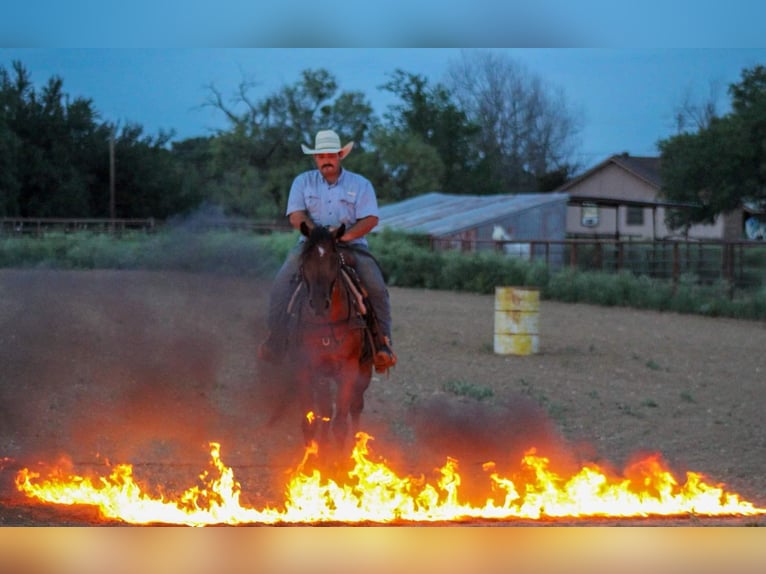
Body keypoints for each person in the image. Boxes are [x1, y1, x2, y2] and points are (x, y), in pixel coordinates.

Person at [258, 129, 397, 372]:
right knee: (281, 282)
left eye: (331, 155)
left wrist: (344, 235)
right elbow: (296, 216)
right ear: (315, 159)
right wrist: (318, 236)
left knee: (375, 285)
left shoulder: (360, 184)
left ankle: (382, 343)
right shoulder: (303, 182)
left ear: (340, 155)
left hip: (351, 245)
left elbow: (370, 219)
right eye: (321, 156)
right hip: (312, 245)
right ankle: (275, 338)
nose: (326, 160)